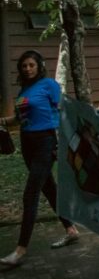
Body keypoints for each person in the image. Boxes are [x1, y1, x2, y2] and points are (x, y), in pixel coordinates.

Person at [0, 50, 79, 267]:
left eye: (31, 65)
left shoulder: (49, 86)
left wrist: (64, 138)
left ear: (39, 66)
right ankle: (71, 230)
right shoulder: (24, 90)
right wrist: (3, 122)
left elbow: (64, 109)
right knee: (49, 189)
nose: (27, 69)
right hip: (27, 143)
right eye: (24, 65)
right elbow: (19, 119)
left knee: (30, 194)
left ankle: (20, 250)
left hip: (46, 142)